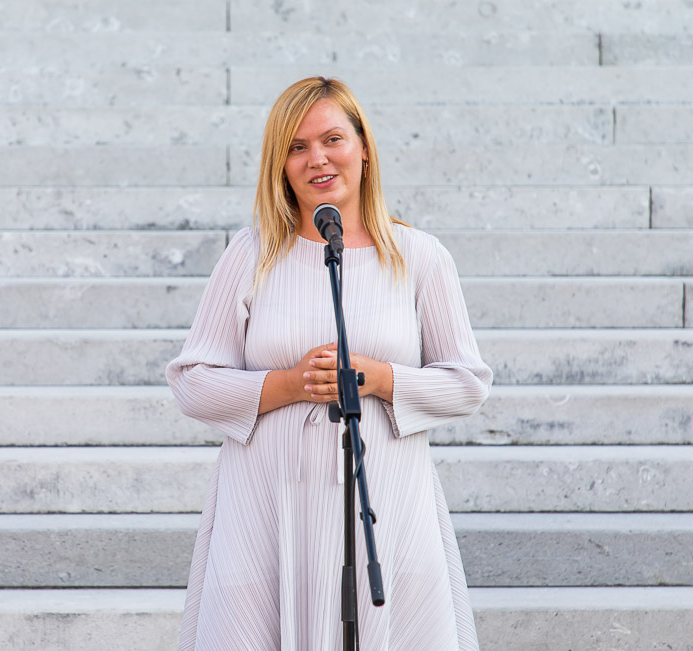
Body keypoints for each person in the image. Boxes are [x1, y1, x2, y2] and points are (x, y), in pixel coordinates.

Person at [166, 76, 493, 651]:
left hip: (385, 508)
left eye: (332, 139)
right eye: (296, 146)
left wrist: (378, 378)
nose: (316, 158)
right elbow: (193, 382)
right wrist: (291, 384)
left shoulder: (419, 256)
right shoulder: (252, 253)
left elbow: (467, 383)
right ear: (280, 164)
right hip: (266, 513)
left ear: (364, 147)